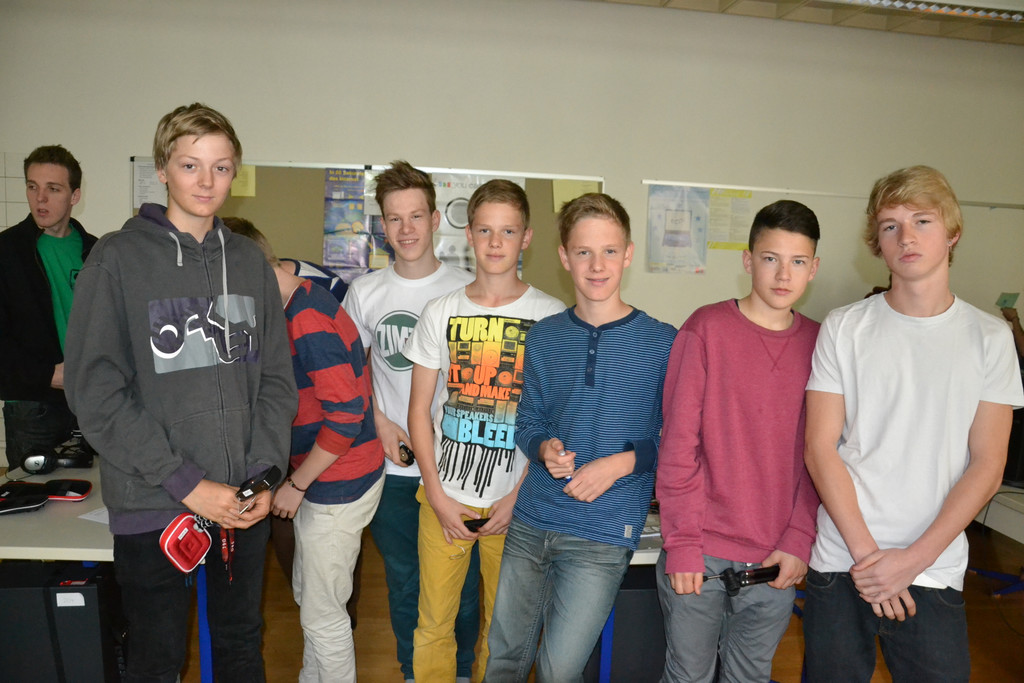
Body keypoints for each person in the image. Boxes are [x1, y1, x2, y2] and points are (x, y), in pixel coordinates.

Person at [64, 103, 297, 683]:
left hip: (241, 502)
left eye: (221, 167)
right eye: (190, 165)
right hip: (155, 501)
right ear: (162, 169)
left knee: (241, 648)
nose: (206, 181)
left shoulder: (248, 261)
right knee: (158, 659)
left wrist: (264, 475)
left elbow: (275, 380)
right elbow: (95, 392)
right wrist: (186, 483)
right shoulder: (117, 259)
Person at [802, 166, 1024, 682]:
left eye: (922, 221)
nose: (906, 236)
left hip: (933, 565)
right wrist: (870, 559)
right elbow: (819, 448)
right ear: (876, 244)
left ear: (952, 232)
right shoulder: (844, 327)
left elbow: (988, 465)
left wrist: (911, 561)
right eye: (890, 225)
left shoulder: (990, 339)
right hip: (843, 560)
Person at [484, 193, 676, 682]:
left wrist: (620, 464)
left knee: (559, 671)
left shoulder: (664, 342)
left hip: (603, 534)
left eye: (609, 251)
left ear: (628, 254)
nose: (597, 265)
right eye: (583, 252)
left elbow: (679, 439)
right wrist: (542, 448)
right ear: (564, 257)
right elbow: (527, 420)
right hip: (531, 521)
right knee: (503, 660)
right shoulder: (544, 336)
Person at [404, 179, 565, 682]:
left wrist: (517, 498)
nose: (496, 242)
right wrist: (435, 494)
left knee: (505, 631)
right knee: (433, 624)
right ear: (469, 235)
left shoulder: (550, 316)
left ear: (526, 237)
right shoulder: (441, 311)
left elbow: (555, 424)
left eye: (508, 231)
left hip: (516, 504)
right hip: (444, 498)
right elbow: (418, 411)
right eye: (485, 230)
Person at [656, 200, 823, 683]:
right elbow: (678, 445)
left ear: (813, 268)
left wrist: (799, 540)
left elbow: (822, 454)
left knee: (749, 676)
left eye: (797, 261)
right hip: (700, 552)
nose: (783, 274)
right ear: (748, 260)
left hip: (776, 556)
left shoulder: (823, 344)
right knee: (688, 676)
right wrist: (682, 543)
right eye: (771, 258)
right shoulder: (705, 329)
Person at [341, 160, 481, 683]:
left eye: (416, 216)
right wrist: (378, 420)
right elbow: (346, 375)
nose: (406, 229)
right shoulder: (365, 293)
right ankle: (413, 673)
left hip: (458, 469)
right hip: (394, 471)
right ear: (382, 225)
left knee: (463, 588)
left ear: (435, 219)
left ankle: (460, 671)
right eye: (394, 218)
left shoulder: (468, 290)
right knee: (405, 583)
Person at [232, 223, 383, 683]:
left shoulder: (308, 315)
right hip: (323, 478)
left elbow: (346, 417)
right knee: (311, 599)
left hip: (338, 482)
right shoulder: (295, 300)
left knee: (323, 616)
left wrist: (296, 485)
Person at [0, 145, 97, 471]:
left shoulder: (96, 251)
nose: (40, 198)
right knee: (32, 496)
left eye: (53, 189)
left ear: (74, 196)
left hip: (90, 403)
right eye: (32, 186)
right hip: (32, 406)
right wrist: (47, 375)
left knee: (94, 492)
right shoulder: (7, 251)